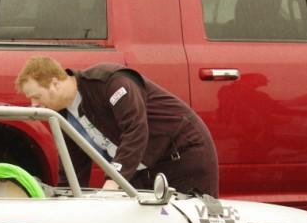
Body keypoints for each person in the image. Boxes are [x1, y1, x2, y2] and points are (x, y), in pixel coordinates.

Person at [15, 56, 218, 197]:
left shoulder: (110, 81)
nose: (34, 105)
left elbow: (135, 130)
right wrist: (62, 196)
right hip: (143, 171)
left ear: (54, 84)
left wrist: (114, 181)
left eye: (36, 96)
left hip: (183, 155)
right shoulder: (64, 115)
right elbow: (72, 166)